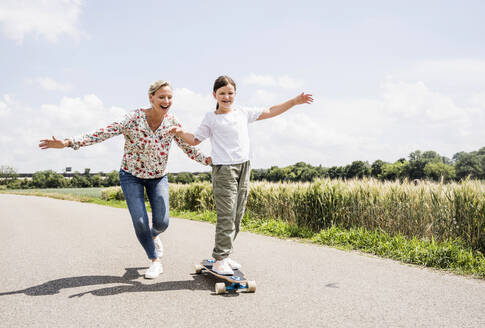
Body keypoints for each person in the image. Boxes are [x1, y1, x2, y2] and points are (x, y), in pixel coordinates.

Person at [39, 80, 211, 279]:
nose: (166, 101)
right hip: (131, 176)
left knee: (162, 222)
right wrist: (69, 142)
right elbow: (103, 133)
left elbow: (187, 146)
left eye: (169, 97)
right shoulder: (133, 118)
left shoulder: (172, 122)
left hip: (158, 177)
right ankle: (155, 261)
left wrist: (206, 160)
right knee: (139, 221)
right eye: (161, 97)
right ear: (151, 98)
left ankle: (154, 234)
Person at [170, 75, 313, 274]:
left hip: (244, 167)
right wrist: (178, 132)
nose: (226, 97)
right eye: (222, 93)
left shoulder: (243, 112)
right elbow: (194, 140)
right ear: (214, 95)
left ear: (235, 94)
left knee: (237, 214)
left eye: (230, 93)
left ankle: (225, 254)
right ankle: (220, 258)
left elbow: (270, 111)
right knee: (226, 215)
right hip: (224, 170)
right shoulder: (211, 118)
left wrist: (294, 102)